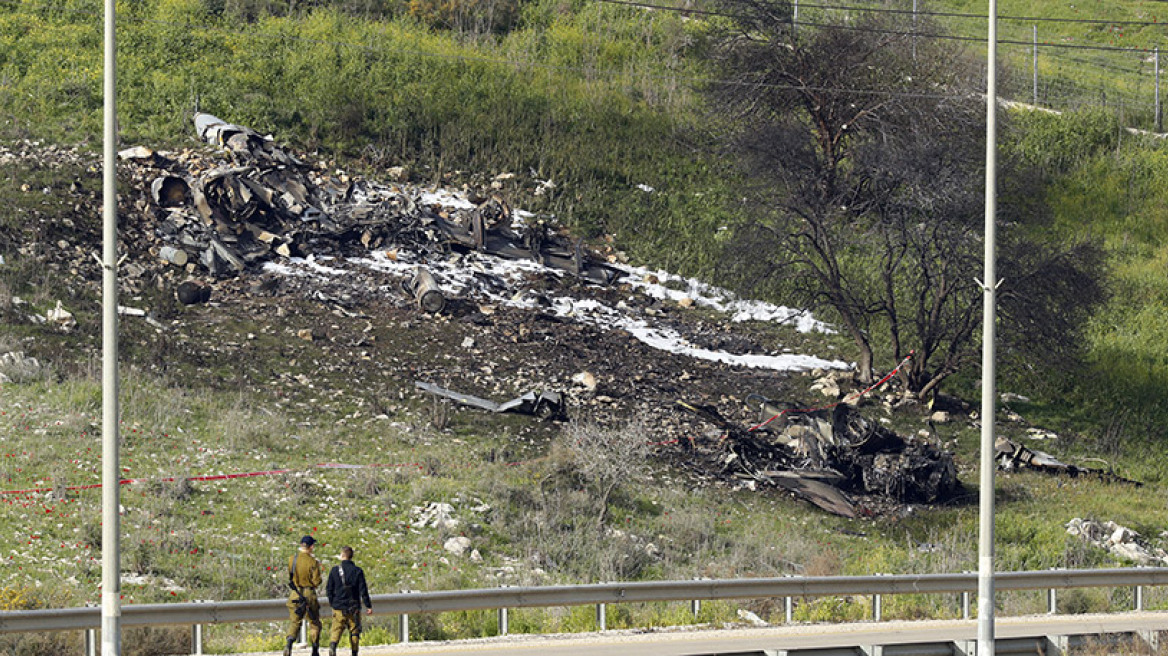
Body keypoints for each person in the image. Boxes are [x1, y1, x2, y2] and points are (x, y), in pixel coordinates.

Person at [325, 546, 373, 656]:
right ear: (351, 556)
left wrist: (333, 603)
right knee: (354, 631)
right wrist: (368, 606)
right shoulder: (358, 571)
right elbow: (363, 590)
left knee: (336, 630)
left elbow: (329, 589)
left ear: (342, 555)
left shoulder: (335, 570)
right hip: (354, 607)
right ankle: (354, 652)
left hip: (338, 607)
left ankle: (333, 647)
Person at [284, 535, 323, 656]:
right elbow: (317, 581)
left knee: (295, 621)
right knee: (314, 622)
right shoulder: (313, 562)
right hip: (308, 593)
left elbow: (290, 575)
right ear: (311, 547)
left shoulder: (292, 559)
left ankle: (289, 643)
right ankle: (315, 649)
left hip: (295, 594)